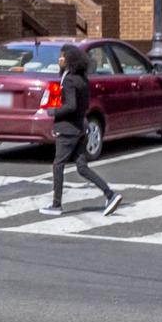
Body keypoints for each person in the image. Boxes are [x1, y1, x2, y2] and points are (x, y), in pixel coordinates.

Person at [43, 43, 121, 217]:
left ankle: (56, 205)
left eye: (62, 56)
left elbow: (70, 105)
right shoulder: (82, 79)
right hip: (80, 126)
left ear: (69, 59)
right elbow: (83, 105)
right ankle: (110, 194)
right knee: (81, 167)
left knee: (58, 164)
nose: (59, 59)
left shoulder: (70, 80)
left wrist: (53, 111)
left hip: (68, 129)